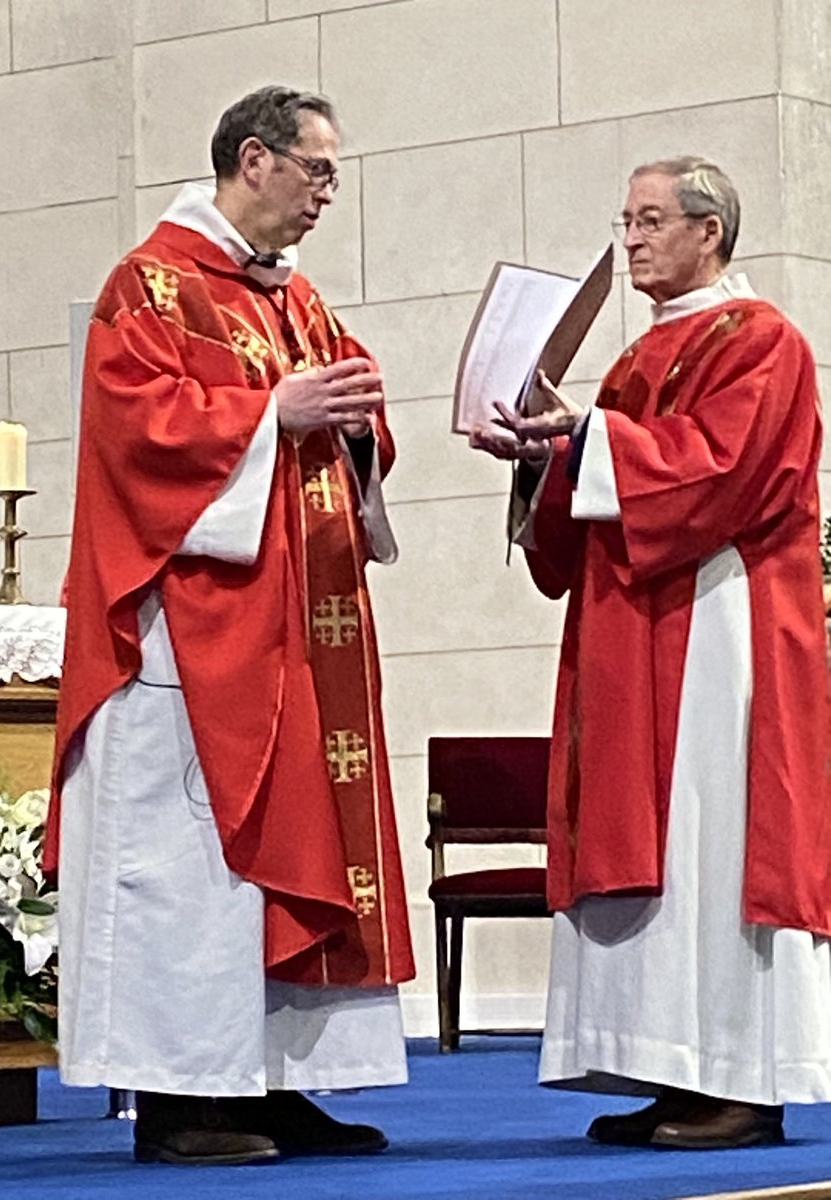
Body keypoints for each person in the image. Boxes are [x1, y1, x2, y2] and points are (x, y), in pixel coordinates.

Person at [46, 85, 415, 1167]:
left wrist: (354, 420)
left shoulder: (295, 303)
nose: (326, 193)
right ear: (253, 161)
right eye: (317, 170)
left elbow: (349, 430)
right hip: (183, 640)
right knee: (192, 865)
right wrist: (273, 414)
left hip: (299, 635)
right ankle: (181, 1099)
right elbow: (138, 436)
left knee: (299, 850)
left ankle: (285, 1082)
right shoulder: (150, 285)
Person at [470, 157, 831, 1150]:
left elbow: (724, 471)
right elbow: (596, 485)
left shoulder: (763, 342)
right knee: (654, 846)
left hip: (723, 625)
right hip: (638, 629)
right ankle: (673, 1070)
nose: (629, 237)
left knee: (712, 840)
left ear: (709, 231)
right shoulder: (639, 359)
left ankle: (741, 1083)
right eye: (625, 218)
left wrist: (590, 440)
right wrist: (543, 454)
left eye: (650, 219)